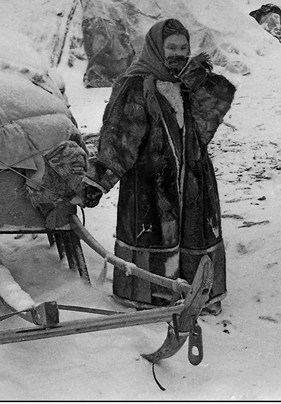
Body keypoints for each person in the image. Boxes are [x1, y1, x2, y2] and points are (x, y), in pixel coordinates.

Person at [80, 18, 235, 314]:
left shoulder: (188, 82)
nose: (177, 52)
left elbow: (206, 125)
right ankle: (151, 296)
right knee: (153, 233)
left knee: (195, 231)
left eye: (183, 47)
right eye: (171, 47)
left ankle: (198, 294)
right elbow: (120, 136)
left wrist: (202, 83)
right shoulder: (136, 84)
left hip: (193, 178)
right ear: (155, 48)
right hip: (150, 181)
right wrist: (98, 179)